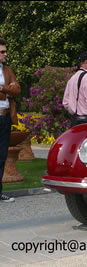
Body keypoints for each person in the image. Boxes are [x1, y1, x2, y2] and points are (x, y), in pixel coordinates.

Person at [0, 37, 21, 202]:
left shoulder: (7, 70)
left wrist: (2, 88)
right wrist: (8, 90)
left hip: (5, 117)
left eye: (5, 51)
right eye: (2, 52)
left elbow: (17, 90)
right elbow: (11, 90)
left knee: (2, 156)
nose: (5, 54)